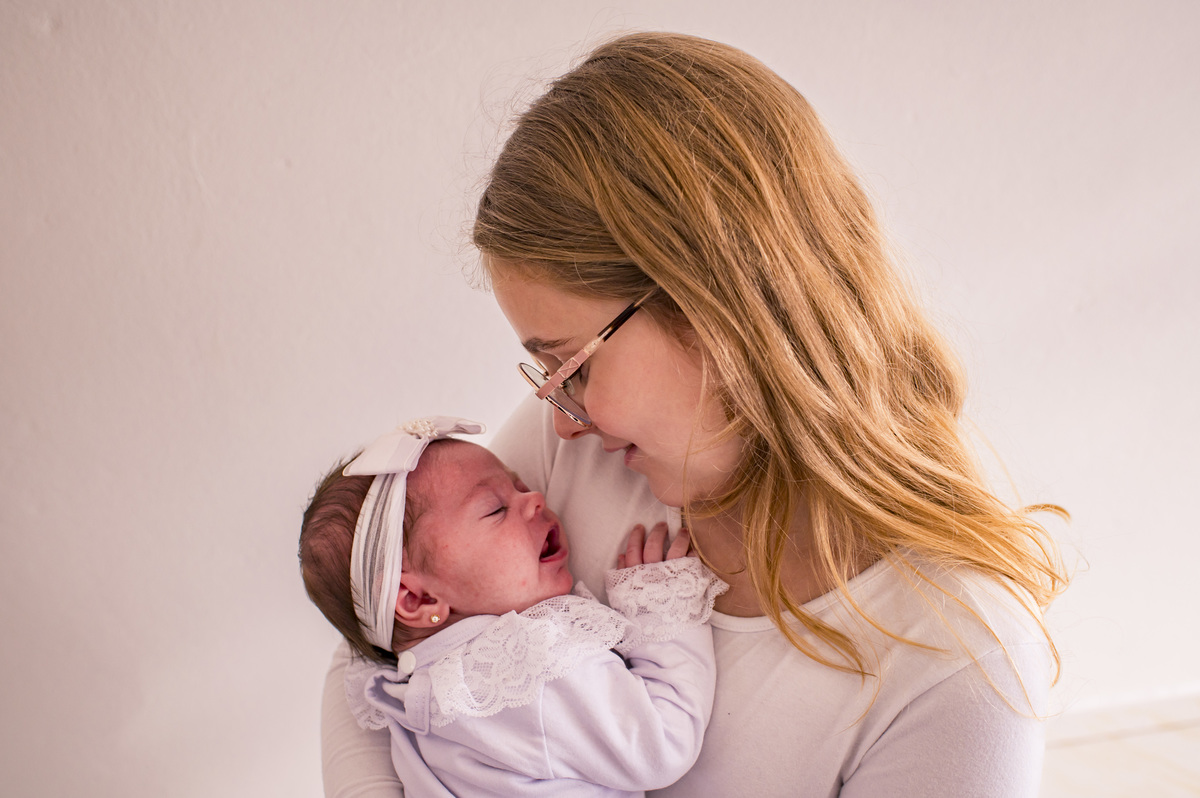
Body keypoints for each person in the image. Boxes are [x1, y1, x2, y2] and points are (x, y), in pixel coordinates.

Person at [320, 32, 1070, 797]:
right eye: (546, 376)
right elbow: (382, 638)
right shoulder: (575, 456)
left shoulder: (958, 662)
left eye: (570, 366)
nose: (564, 418)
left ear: (716, 302)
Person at [300, 416, 727, 797]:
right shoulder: (522, 675)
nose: (536, 498)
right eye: (496, 509)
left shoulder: (418, 685)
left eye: (520, 484)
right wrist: (662, 607)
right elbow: (661, 745)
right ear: (418, 599)